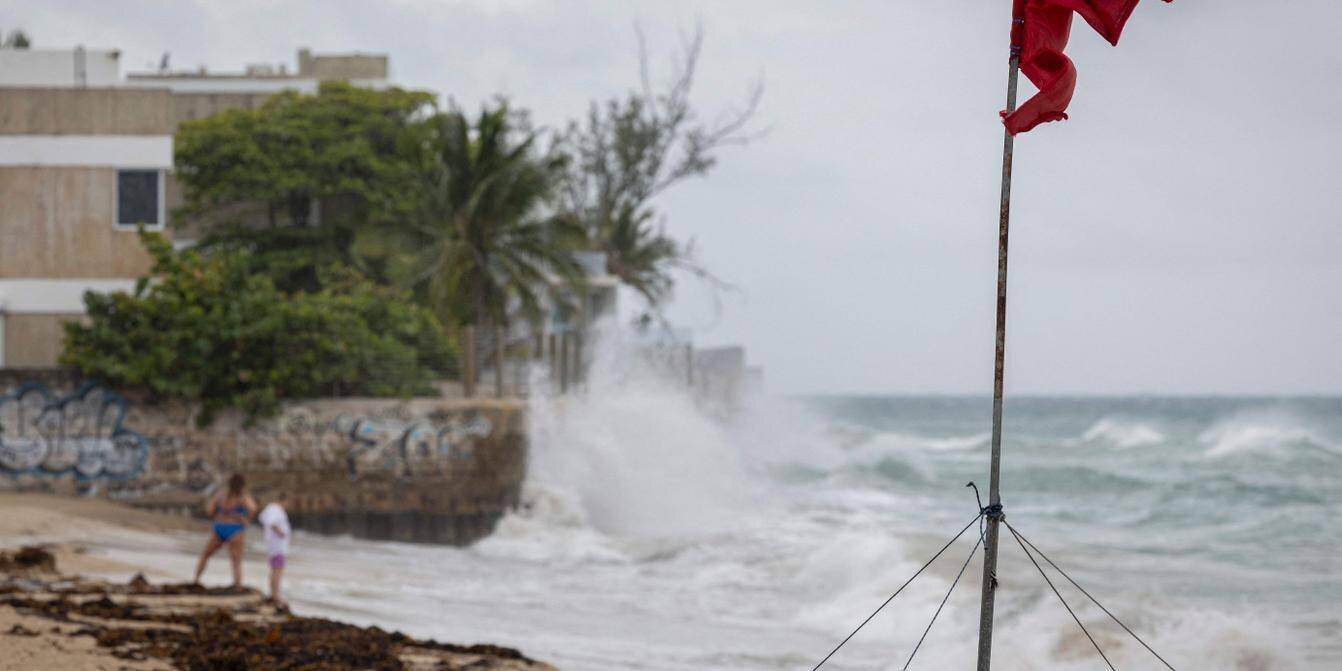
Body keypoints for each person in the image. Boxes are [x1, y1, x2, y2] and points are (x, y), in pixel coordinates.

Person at [192, 473, 257, 588]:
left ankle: (196, 579)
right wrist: (245, 519)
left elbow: (209, 510)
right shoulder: (243, 497)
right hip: (235, 528)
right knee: (236, 562)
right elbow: (253, 508)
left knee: (205, 555)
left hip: (220, 526)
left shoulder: (220, 496)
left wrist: (220, 514)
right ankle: (237, 585)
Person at [258, 491, 292, 606]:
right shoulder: (276, 509)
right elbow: (271, 522)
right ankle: (275, 595)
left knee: (274, 570)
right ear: (284, 500)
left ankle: (273, 593)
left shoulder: (270, 508)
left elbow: (262, 518)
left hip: (271, 545)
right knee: (277, 570)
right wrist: (280, 532)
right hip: (278, 545)